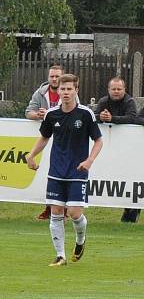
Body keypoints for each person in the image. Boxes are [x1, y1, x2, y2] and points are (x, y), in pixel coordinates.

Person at [24, 74, 103, 267]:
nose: (66, 92)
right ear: (58, 90)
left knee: (75, 213)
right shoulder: (52, 114)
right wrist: (31, 155)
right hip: (56, 171)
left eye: (69, 89)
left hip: (77, 171)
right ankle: (60, 256)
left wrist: (89, 160)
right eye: (62, 89)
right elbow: (44, 137)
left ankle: (80, 240)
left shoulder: (85, 114)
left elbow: (99, 140)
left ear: (77, 90)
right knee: (56, 211)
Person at [95, 76, 143, 222]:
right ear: (108, 90)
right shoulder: (103, 101)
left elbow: (132, 119)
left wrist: (112, 119)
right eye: (113, 89)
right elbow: (93, 117)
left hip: (129, 150)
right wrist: (101, 117)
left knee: (131, 179)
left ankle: (132, 210)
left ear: (124, 90)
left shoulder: (129, 102)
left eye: (119, 89)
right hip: (109, 148)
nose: (116, 91)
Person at [25, 64, 65, 220]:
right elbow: (28, 112)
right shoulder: (40, 93)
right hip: (46, 137)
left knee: (63, 176)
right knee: (49, 176)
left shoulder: (69, 92)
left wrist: (50, 114)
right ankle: (50, 208)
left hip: (64, 139)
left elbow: (74, 110)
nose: (54, 79)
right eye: (52, 76)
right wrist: (37, 115)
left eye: (57, 76)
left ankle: (65, 209)